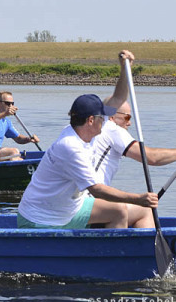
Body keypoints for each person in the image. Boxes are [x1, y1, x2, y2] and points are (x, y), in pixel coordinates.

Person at [17, 51, 158, 229]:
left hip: (68, 207)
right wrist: (138, 198)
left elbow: (118, 98)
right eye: (103, 118)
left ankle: (128, 253)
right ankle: (110, 255)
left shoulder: (82, 131)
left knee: (131, 210)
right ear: (91, 120)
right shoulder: (70, 147)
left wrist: (125, 68)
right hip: (43, 218)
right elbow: (96, 189)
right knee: (121, 209)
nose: (107, 121)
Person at [90, 101, 176, 186]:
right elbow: (151, 157)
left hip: (80, 197)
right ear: (112, 117)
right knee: (145, 211)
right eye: (127, 117)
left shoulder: (90, 127)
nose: (129, 123)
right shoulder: (112, 129)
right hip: (90, 199)